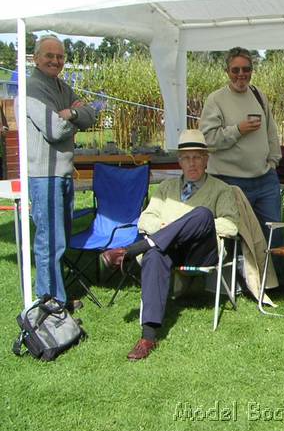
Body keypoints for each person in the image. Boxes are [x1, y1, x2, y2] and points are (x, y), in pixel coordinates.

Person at [101, 129, 239, 361]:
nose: (192, 163)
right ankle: (148, 337)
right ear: (179, 162)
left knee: (202, 214)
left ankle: (132, 251)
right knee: (154, 255)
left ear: (206, 160)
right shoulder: (166, 187)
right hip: (168, 249)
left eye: (197, 157)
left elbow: (231, 226)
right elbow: (145, 219)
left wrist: (192, 225)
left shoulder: (221, 189)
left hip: (200, 251)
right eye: (186, 158)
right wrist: (169, 230)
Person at [21, 35, 96, 310]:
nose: (55, 61)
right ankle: (50, 302)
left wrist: (71, 114)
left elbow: (91, 114)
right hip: (44, 175)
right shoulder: (32, 89)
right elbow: (54, 130)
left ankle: (57, 296)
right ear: (35, 58)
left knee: (60, 239)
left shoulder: (62, 86)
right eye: (49, 55)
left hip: (62, 172)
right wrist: (71, 118)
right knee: (49, 242)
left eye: (60, 56)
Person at [199, 47, 282, 245]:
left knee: (274, 236)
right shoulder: (216, 99)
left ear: (252, 70)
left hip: (264, 179)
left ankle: (274, 267)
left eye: (246, 69)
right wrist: (238, 130)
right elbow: (208, 139)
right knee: (234, 238)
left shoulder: (258, 95)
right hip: (229, 181)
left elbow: (271, 132)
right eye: (235, 70)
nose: (241, 74)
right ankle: (238, 267)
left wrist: (273, 162)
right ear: (227, 71)